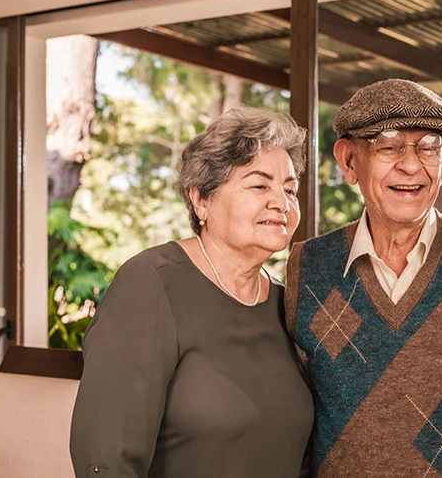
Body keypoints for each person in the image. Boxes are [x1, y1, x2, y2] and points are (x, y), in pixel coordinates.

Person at [284, 79, 442, 477]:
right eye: (388, 145)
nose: (410, 165)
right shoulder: (308, 265)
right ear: (349, 161)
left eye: (428, 147)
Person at [70, 106, 314, 477]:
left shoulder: (287, 303)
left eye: (290, 189)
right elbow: (104, 459)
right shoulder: (150, 284)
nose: (281, 203)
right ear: (201, 199)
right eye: (259, 185)